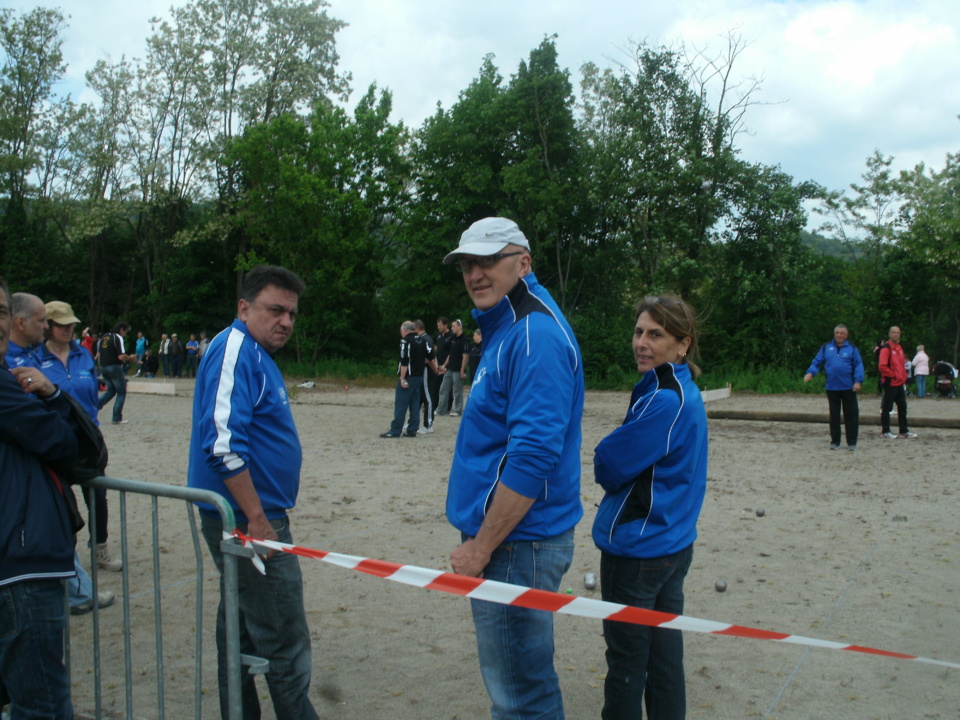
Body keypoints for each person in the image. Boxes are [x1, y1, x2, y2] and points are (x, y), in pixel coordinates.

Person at [444, 217, 584, 719]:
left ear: (523, 263)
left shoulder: (534, 335)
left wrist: (481, 548)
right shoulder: (508, 327)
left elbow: (531, 458)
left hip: (515, 544)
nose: (475, 274)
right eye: (467, 264)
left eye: (488, 261)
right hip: (514, 541)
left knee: (521, 698)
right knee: (520, 687)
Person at [188, 265, 319, 720]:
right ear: (244, 308)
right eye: (275, 310)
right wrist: (258, 520)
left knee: (240, 629)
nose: (285, 321)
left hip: (250, 515)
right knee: (283, 636)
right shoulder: (235, 349)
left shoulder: (256, 354)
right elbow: (221, 445)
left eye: (292, 313)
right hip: (250, 521)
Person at [591, 295, 708, 720]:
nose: (642, 342)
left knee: (626, 663)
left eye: (656, 334)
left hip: (640, 549)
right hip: (671, 542)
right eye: (639, 331)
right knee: (663, 657)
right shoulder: (678, 390)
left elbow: (609, 463)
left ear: (682, 344)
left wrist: (609, 449)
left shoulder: (664, 399)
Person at [0, 276, 83, 719]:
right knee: (44, 706)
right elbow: (64, 442)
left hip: (26, 552)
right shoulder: (6, 382)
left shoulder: (64, 359)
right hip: (22, 563)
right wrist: (53, 399)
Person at [41, 301, 123, 576]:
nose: (68, 329)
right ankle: (66, 556)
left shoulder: (84, 355)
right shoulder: (35, 358)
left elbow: (92, 392)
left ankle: (100, 548)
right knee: (59, 498)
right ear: (48, 326)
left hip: (87, 437)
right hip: (54, 438)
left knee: (98, 495)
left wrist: (93, 422)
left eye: (71, 324)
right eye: (62, 324)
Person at [803, 323, 864, 451]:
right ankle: (835, 441)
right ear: (834, 334)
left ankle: (852, 442)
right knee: (834, 416)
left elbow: (858, 365)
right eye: (837, 333)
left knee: (851, 415)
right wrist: (810, 373)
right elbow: (817, 361)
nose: (839, 335)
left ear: (846, 335)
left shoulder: (852, 348)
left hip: (848, 387)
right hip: (832, 387)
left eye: (842, 333)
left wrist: (858, 381)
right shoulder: (826, 347)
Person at [380, 321, 423, 438]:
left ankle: (395, 430)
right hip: (419, 376)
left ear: (405, 330)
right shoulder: (421, 340)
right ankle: (412, 429)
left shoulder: (405, 341)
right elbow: (429, 357)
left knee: (401, 404)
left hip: (408, 376)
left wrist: (402, 378)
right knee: (415, 403)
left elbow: (404, 359)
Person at [878, 326, 917, 439]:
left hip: (899, 383)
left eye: (898, 333)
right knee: (887, 407)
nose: (896, 334)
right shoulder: (886, 349)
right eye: (894, 332)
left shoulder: (899, 348)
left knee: (902, 407)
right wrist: (893, 375)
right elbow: (882, 366)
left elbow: (901, 365)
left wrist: (902, 377)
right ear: (889, 334)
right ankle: (885, 431)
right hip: (891, 383)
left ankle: (903, 430)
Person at [97, 322, 135, 424]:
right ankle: (116, 417)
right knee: (121, 391)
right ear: (121, 330)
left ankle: (94, 407)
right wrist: (130, 358)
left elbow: (99, 353)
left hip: (103, 366)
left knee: (111, 391)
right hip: (113, 367)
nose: (126, 334)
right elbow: (121, 356)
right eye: (126, 331)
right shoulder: (118, 338)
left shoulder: (105, 337)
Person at [437, 318, 469, 416]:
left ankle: (458, 410)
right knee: (443, 389)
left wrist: (462, 370)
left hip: (457, 369)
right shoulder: (453, 338)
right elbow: (450, 354)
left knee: (457, 391)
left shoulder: (464, 340)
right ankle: (441, 409)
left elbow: (465, 356)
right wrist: (443, 366)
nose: (452, 328)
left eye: (454, 326)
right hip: (449, 369)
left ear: (460, 326)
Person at [414, 319, 439, 434]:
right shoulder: (423, 339)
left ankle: (428, 424)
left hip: (426, 371)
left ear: (418, 328)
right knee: (418, 398)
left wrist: (436, 369)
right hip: (421, 371)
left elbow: (430, 358)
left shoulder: (425, 339)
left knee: (427, 397)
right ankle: (413, 422)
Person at [428, 317, 452, 426]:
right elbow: (432, 343)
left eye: (440, 325)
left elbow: (452, 352)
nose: (439, 327)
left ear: (446, 325)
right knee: (435, 386)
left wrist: (445, 365)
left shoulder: (451, 336)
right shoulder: (438, 336)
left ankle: (447, 406)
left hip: (447, 365)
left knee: (447, 387)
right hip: (437, 364)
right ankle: (434, 405)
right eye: (438, 325)